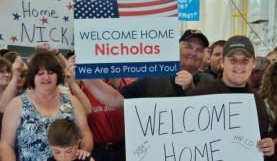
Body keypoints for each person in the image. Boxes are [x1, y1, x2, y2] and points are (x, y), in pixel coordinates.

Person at [186, 35, 274, 161]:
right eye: (233, 60)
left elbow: (261, 142)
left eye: (245, 60)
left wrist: (268, 146)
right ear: (223, 62)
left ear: (253, 63)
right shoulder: (199, 96)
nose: (239, 66)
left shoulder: (256, 101)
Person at [0, 50, 93, 161]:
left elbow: (85, 133)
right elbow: (6, 144)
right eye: (40, 73)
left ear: (58, 74)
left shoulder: (72, 101)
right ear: (32, 77)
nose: (46, 77)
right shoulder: (17, 104)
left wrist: (84, 151)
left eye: (50, 72)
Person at [81, 29, 213, 108]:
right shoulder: (153, 78)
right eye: (188, 47)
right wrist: (85, 74)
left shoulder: (211, 83)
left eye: (199, 49)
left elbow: (213, 116)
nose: (194, 52)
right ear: (176, 49)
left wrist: (191, 89)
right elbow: (114, 99)